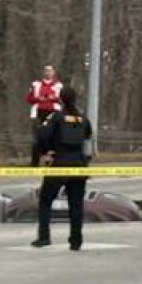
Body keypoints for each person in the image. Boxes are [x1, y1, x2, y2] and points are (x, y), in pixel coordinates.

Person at [32, 86, 92, 251]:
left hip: (60, 162)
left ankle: (44, 237)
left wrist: (45, 153)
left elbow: (41, 135)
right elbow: (87, 135)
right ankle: (76, 241)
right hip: (79, 164)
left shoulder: (57, 117)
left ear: (60, 99)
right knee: (76, 204)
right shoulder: (83, 118)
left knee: (45, 199)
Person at [26, 65, 63, 166]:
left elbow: (61, 99)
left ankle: (54, 161)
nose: (48, 73)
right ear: (43, 72)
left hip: (53, 113)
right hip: (38, 113)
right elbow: (29, 99)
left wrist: (51, 98)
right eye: (46, 71)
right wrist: (39, 99)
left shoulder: (58, 85)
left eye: (50, 71)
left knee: (54, 137)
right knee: (37, 138)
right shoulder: (35, 85)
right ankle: (34, 162)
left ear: (53, 72)